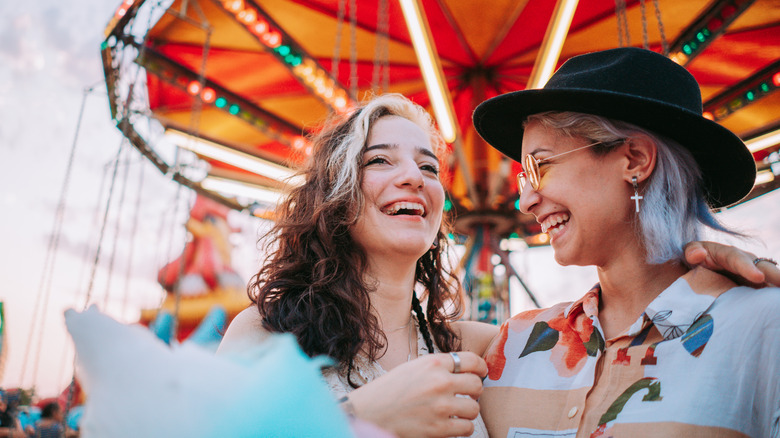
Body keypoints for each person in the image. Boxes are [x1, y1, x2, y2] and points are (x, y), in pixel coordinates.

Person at [219, 92, 779, 438]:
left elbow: (645, 310)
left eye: (429, 166)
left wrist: (703, 263)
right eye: (379, 160)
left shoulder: (484, 348)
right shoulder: (269, 333)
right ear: (335, 193)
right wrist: (359, 422)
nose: (414, 176)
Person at [472, 47, 780, 437]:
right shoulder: (513, 343)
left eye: (541, 166)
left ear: (634, 159)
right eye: (523, 177)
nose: (526, 201)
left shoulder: (763, 328)